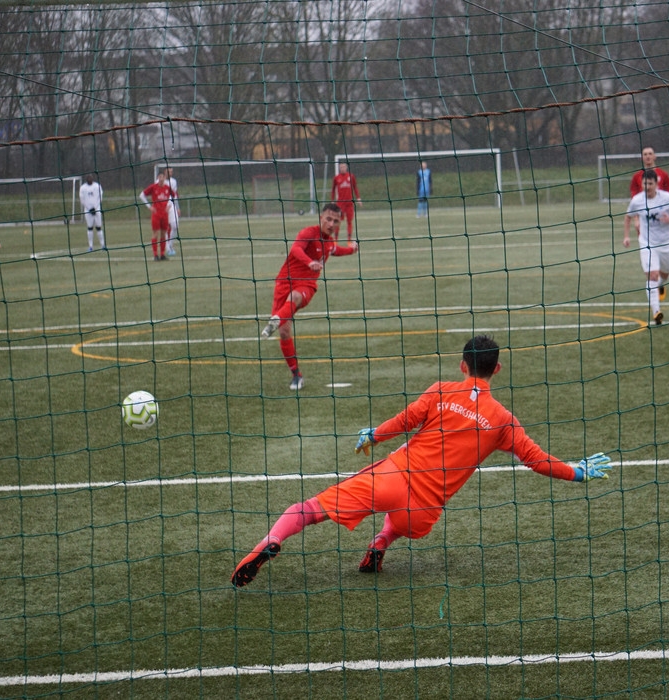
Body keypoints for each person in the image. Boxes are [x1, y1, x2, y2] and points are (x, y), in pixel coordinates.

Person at [232, 334, 613, 587]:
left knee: (309, 508)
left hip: (392, 478)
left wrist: (373, 435)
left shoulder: (440, 391)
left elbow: (405, 421)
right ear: (496, 369)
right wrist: (577, 472)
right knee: (401, 522)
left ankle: (268, 543)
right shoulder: (503, 420)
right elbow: (537, 461)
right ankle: (381, 542)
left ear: (463, 365)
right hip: (424, 511)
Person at [259, 203, 359, 391]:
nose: (331, 224)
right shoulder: (308, 233)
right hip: (283, 283)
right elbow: (296, 249)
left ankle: (276, 319)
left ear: (338, 224)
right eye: (328, 219)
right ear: (321, 217)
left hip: (306, 286)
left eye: (335, 221)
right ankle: (297, 374)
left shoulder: (328, 243)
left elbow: (336, 250)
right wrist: (309, 261)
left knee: (295, 297)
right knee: (284, 333)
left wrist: (353, 249)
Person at [623, 169, 669, 325]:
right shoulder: (637, 200)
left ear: (656, 184)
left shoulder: (666, 198)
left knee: (664, 274)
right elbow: (628, 216)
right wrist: (627, 236)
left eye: (650, 183)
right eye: (645, 183)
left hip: (667, 241)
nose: (647, 186)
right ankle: (656, 312)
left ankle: (661, 286)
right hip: (647, 242)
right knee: (652, 275)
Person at [139, 169, 177, 261]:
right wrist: (149, 207)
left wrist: (169, 205)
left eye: (162, 177)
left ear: (164, 178)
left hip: (164, 214)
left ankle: (162, 254)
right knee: (155, 234)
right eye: (159, 177)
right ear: (157, 178)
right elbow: (141, 195)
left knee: (163, 234)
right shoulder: (153, 187)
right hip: (156, 214)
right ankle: (155, 255)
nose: (161, 179)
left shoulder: (167, 187)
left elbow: (174, 195)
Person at [330, 161, 361, 241]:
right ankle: (336, 240)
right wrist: (332, 200)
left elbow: (355, 187)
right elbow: (333, 190)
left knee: (349, 221)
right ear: (339, 168)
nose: (342, 168)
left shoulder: (351, 176)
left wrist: (358, 198)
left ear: (346, 167)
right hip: (340, 204)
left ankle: (349, 240)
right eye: (341, 167)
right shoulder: (336, 178)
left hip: (349, 203)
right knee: (337, 221)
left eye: (343, 167)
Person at [78, 174, 105, 251]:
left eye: (91, 178)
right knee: (90, 227)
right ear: (86, 179)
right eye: (88, 178)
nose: (90, 179)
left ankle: (102, 245)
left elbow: (100, 197)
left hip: (97, 209)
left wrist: (95, 208)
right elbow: (82, 199)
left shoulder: (97, 186)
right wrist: (89, 208)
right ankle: (90, 246)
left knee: (99, 227)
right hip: (87, 210)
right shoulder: (83, 188)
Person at [164, 167, 180, 255]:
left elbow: (175, 195)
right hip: (163, 206)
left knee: (175, 225)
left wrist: (177, 207)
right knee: (165, 227)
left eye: (171, 172)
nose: (170, 173)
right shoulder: (159, 182)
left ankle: (170, 245)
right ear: (165, 172)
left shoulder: (173, 181)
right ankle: (168, 248)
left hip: (172, 205)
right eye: (168, 171)